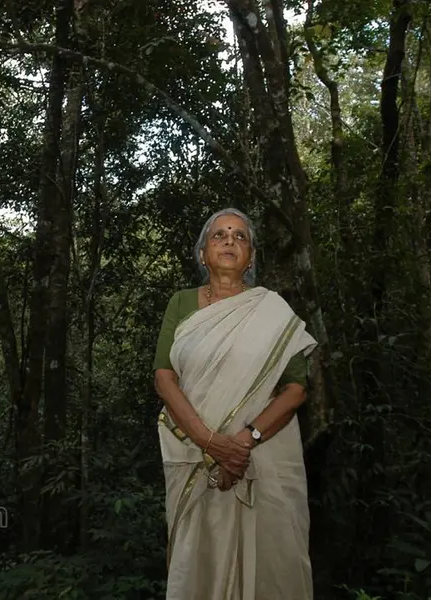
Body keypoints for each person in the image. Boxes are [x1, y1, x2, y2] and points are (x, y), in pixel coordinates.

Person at [153, 207, 317, 599]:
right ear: (202, 253)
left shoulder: (273, 312)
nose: (230, 241)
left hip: (265, 455)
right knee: (199, 563)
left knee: (270, 567)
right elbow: (163, 377)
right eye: (219, 235)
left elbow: (295, 389)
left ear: (253, 256)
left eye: (240, 236)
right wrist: (209, 442)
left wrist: (243, 442)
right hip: (194, 454)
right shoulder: (182, 304)